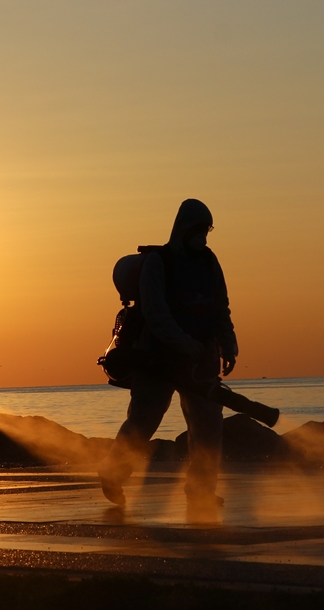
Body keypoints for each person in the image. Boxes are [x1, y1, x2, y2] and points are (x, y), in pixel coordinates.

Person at [98, 198, 238, 517]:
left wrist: (228, 345)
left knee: (207, 425)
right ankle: (112, 474)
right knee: (144, 420)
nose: (202, 236)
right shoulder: (157, 264)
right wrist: (184, 344)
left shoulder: (209, 262)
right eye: (198, 229)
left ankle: (202, 490)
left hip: (201, 359)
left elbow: (221, 308)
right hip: (156, 359)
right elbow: (156, 314)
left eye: (206, 230)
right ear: (183, 228)